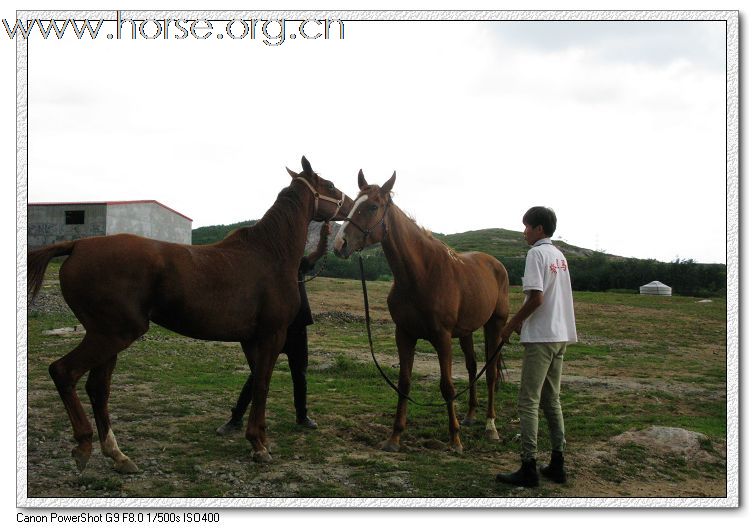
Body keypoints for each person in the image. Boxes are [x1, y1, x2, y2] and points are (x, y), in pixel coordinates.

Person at [216, 221, 332, 435]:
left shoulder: (296, 263)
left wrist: (325, 237)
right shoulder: (271, 265)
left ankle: (301, 415)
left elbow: (317, 254)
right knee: (258, 373)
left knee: (300, 374)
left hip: (297, 327)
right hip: (272, 326)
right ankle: (236, 418)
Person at [495, 207, 577, 487]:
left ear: (539, 229)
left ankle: (528, 466)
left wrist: (510, 325)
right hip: (560, 334)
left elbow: (537, 299)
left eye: (527, 227)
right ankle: (557, 462)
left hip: (542, 337)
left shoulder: (536, 254)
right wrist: (521, 321)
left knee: (528, 401)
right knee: (551, 400)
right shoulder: (559, 256)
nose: (524, 232)